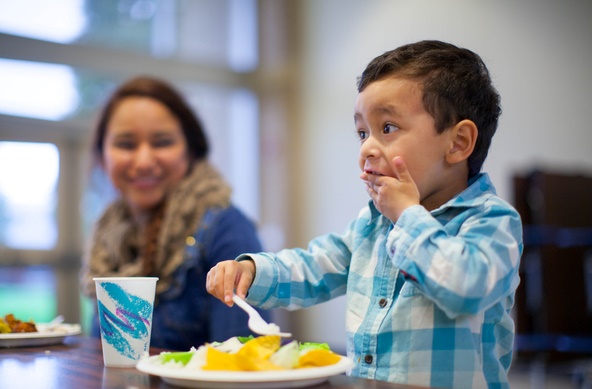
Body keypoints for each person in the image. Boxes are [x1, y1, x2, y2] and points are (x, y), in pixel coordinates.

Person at [206, 40, 523, 388]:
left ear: (458, 142)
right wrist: (252, 270)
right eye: (362, 133)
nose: (367, 149)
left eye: (387, 128)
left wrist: (407, 216)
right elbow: (314, 266)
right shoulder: (372, 224)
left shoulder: (492, 220)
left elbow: (465, 287)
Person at [80, 76, 271, 351]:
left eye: (162, 142)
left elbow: (245, 362)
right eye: (126, 144)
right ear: (102, 155)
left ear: (191, 151)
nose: (144, 160)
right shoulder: (108, 239)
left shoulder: (225, 227)